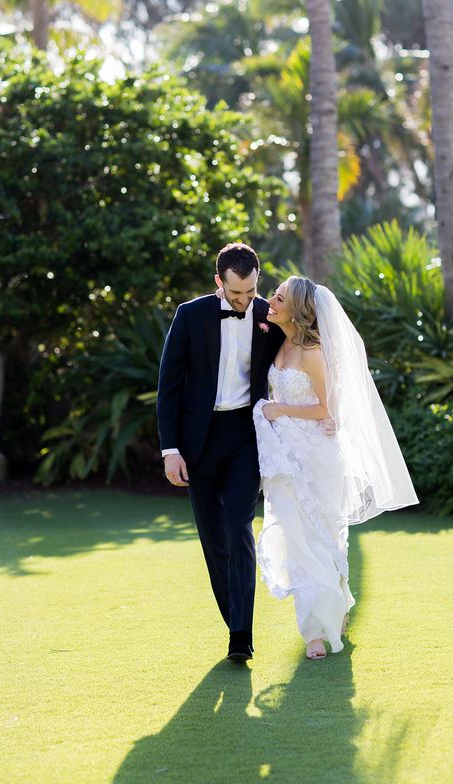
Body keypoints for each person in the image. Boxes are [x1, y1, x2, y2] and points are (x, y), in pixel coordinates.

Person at [254, 276, 419, 660]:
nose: (270, 302)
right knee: (297, 543)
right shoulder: (278, 341)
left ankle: (325, 622)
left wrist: (278, 408)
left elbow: (327, 410)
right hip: (284, 459)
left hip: (315, 457)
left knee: (321, 539)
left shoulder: (314, 352)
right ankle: (319, 625)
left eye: (279, 298)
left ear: (297, 310)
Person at [157, 243, 285, 662]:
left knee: (239, 528)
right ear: (219, 282)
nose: (245, 302)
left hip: (245, 436)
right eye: (236, 295)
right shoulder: (189, 316)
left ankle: (240, 635)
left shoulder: (269, 315)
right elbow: (170, 386)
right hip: (198, 442)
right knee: (214, 541)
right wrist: (170, 449)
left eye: (250, 292)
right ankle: (233, 617)